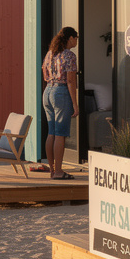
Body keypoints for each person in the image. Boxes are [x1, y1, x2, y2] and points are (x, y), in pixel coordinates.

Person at [39, 26, 79, 180]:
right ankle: (59, 171)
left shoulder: (50, 53)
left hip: (48, 91)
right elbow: (70, 81)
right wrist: (75, 104)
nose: (76, 41)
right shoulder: (69, 55)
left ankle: (52, 169)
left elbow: (44, 73)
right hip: (61, 92)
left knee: (52, 132)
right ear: (70, 38)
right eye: (76, 38)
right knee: (60, 134)